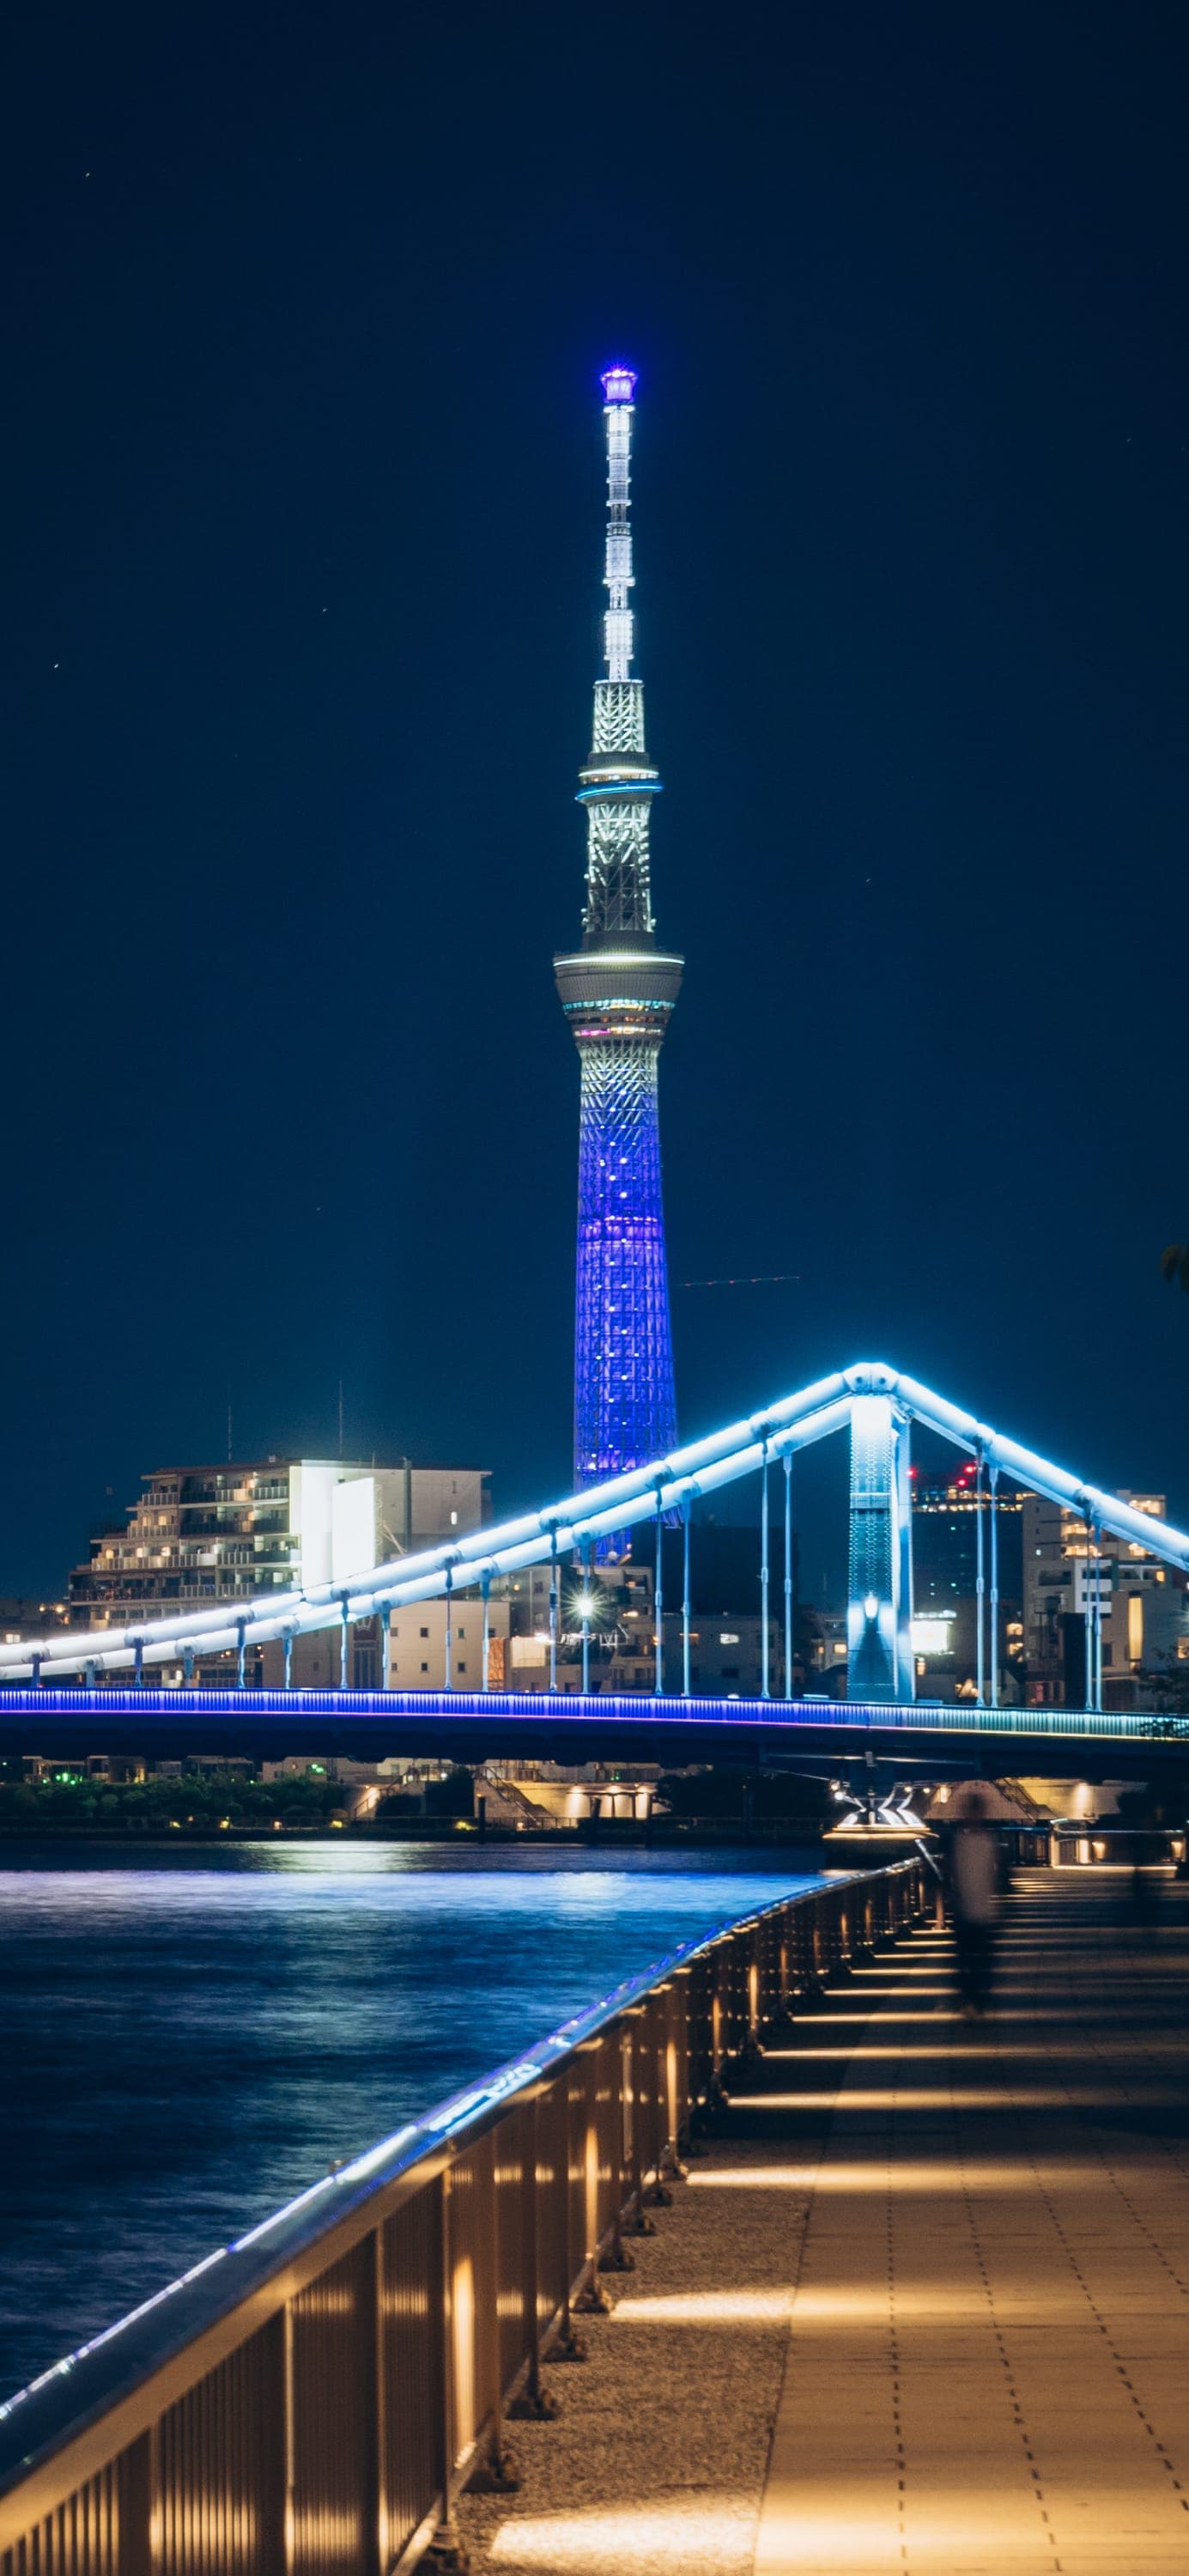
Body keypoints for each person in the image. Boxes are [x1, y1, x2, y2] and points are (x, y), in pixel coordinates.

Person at [949, 1790, 1000, 2018]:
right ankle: (972, 2000)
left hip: (984, 1911)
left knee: (978, 1962)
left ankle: (974, 2000)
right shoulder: (960, 1839)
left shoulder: (971, 1839)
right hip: (964, 1911)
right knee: (968, 1961)